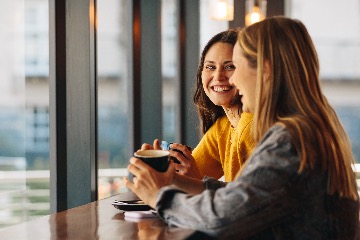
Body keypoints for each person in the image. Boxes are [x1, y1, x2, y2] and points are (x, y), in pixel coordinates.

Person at [125, 16, 360, 239]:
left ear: (265, 70)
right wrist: (172, 181)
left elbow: (223, 217)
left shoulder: (289, 141)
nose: (233, 81)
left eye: (235, 67)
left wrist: (160, 197)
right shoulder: (306, 130)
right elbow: (247, 197)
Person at [142, 29, 255, 182]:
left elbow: (248, 200)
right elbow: (188, 177)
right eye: (210, 67)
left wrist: (194, 181)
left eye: (230, 66)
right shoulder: (223, 128)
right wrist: (161, 167)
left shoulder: (253, 127)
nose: (218, 76)